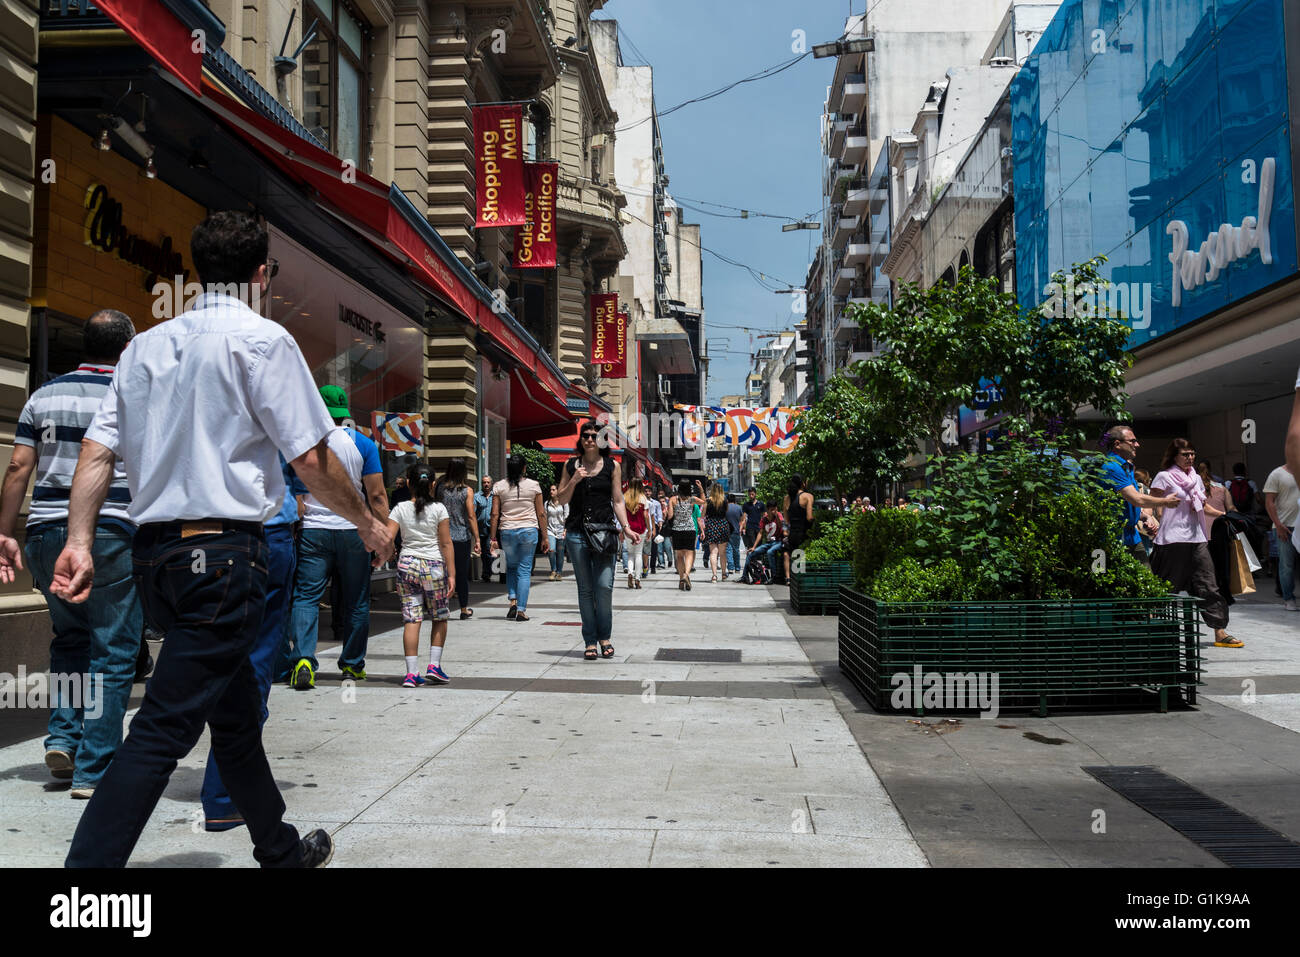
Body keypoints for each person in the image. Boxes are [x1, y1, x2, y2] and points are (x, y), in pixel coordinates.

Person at [51, 210, 392, 867]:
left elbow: (97, 452)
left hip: (155, 560)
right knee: (159, 732)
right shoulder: (263, 341)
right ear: (262, 273)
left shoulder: (143, 348)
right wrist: (368, 522)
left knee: (234, 718)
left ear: (197, 269)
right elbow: (313, 460)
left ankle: (280, 847)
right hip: (224, 559)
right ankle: (80, 888)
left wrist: (80, 539)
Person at [0, 309, 142, 798]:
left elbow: (19, 465)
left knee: (69, 640)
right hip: (110, 531)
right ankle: (95, 768)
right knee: (113, 648)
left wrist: (4, 532)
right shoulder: (133, 395)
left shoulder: (42, 396)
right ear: (127, 349)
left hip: (44, 535)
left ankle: (63, 736)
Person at [201, 452, 300, 831]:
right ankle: (224, 796)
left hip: (194, 535)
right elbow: (308, 462)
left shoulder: (171, 391)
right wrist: (365, 522)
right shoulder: (268, 392)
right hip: (262, 532)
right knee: (254, 666)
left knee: (196, 669)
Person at [284, 385, 387, 688]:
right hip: (354, 532)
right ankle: (352, 666)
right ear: (343, 414)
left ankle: (303, 658)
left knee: (306, 597)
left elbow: (299, 501)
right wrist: (383, 535)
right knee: (356, 601)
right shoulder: (364, 445)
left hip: (314, 531)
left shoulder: (303, 446)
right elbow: (378, 495)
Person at [555, 419, 638, 657]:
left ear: (601, 440)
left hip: (604, 534)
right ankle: (590, 641)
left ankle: (605, 636)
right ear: (581, 440)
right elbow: (560, 499)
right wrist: (574, 480)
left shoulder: (613, 466)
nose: (590, 439)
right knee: (585, 590)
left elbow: (618, 500)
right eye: (586, 435)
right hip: (577, 533)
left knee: (604, 587)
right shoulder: (571, 466)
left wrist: (626, 527)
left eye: (594, 435)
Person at [1149, 438, 1238, 648]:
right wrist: (1151, 520)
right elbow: (1152, 503)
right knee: (1165, 586)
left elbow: (1201, 506)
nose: (1190, 458)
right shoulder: (1164, 477)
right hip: (1172, 539)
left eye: (1192, 454)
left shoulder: (1196, 479)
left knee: (1208, 584)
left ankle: (1219, 631)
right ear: (1174, 456)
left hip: (1197, 538)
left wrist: (1223, 515)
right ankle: (1150, 626)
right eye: (1185, 454)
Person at [387, 465, 453, 686]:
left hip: (407, 565)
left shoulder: (399, 508)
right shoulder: (439, 509)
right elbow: (445, 543)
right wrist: (451, 574)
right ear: (433, 484)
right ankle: (434, 665)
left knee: (412, 619)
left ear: (408, 484)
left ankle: (411, 673)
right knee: (439, 616)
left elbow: (388, 537)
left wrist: (383, 555)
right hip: (434, 566)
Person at [1097, 424, 1180, 566]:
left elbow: (1129, 502)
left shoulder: (1126, 467)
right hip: (1111, 538)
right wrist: (1165, 501)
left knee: (1146, 582)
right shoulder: (1111, 467)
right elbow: (1136, 498)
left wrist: (1145, 516)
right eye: (1132, 441)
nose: (1137, 444)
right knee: (1107, 583)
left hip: (1131, 537)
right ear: (1117, 444)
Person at [490, 455, 546, 622]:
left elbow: (494, 514)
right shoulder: (534, 486)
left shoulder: (499, 486)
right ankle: (521, 610)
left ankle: (512, 601)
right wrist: (545, 536)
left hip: (507, 531)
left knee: (511, 567)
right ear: (524, 468)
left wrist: (492, 537)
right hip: (529, 531)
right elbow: (541, 513)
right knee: (524, 570)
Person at [435, 458, 480, 620]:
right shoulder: (467, 491)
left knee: (441, 573)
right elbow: (471, 515)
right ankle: (463, 608)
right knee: (461, 574)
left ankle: (441, 608)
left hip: (442, 536)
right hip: (461, 537)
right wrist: (477, 539)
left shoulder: (440, 489)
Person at [741, 502, 785, 583]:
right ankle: (744, 576)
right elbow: (760, 533)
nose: (773, 511)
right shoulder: (764, 519)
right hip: (768, 543)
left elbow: (781, 526)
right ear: (767, 510)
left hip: (778, 542)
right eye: (771, 510)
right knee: (750, 553)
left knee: (770, 552)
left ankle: (774, 576)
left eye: (774, 509)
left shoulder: (779, 515)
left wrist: (777, 516)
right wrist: (754, 547)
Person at [784, 474, 814, 582]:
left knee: (796, 561)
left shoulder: (787, 498)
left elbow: (786, 520)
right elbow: (809, 517)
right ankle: (803, 585)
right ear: (803, 483)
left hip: (793, 534)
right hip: (804, 533)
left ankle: (796, 586)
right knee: (804, 560)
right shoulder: (807, 496)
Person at [702, 484, 730, 582]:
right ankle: (723, 574)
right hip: (722, 525)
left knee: (713, 552)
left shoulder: (708, 501)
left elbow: (703, 515)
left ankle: (714, 575)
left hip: (711, 526)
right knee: (722, 553)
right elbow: (726, 512)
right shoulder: (725, 501)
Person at [623, 479, 648, 588]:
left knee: (630, 554)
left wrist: (622, 529)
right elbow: (646, 515)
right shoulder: (643, 498)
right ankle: (637, 579)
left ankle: (630, 573)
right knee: (638, 554)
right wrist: (650, 529)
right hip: (640, 529)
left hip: (628, 529)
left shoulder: (625, 497)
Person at [545, 484, 568, 581]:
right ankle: (553, 570)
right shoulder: (547, 503)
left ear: (558, 491)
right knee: (552, 550)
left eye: (553, 490)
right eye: (550, 490)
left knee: (560, 553)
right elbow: (544, 517)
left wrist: (565, 530)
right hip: (550, 530)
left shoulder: (564, 503)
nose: (551, 491)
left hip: (561, 530)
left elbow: (567, 516)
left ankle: (559, 573)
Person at [474, 473, 494, 582]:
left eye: (488, 482)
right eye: (484, 482)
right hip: (480, 528)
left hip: (491, 528)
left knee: (488, 550)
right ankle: (487, 571)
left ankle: (487, 573)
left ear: (491, 484)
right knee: (484, 552)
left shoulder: (495, 496)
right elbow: (473, 512)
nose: (486, 484)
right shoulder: (477, 496)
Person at [643, 488, 662, 575]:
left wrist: (659, 524)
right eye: (646, 491)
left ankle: (653, 567)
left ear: (651, 492)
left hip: (654, 526)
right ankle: (644, 566)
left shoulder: (656, 503)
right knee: (643, 549)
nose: (647, 493)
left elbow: (659, 515)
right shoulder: (641, 501)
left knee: (654, 548)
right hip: (643, 527)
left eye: (649, 491)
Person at [725, 494, 744, 577]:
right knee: (736, 550)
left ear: (727, 500)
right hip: (736, 531)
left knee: (728, 549)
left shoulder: (725, 508)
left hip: (727, 531)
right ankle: (737, 568)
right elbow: (743, 519)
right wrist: (741, 528)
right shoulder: (739, 508)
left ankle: (730, 568)